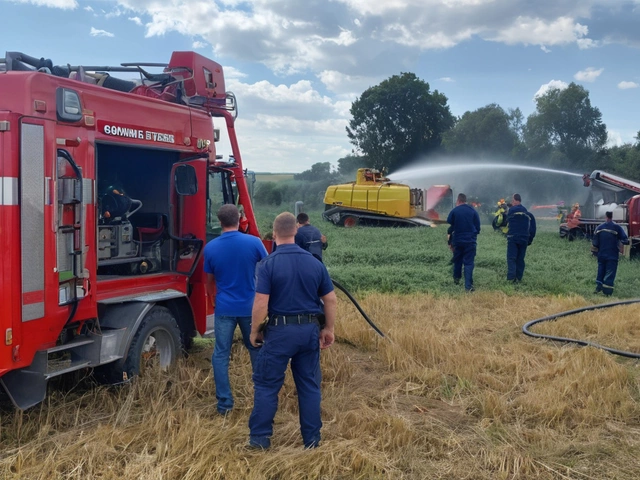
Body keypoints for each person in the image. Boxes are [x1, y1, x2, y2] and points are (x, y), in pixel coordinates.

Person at [248, 212, 337, 449]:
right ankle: (312, 440)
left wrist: (254, 330)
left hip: (279, 332)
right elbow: (330, 299)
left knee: (267, 385)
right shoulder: (314, 263)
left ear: (274, 234)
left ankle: (259, 440)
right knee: (309, 386)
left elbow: (260, 302)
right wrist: (328, 328)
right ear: (296, 231)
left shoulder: (268, 264)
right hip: (309, 331)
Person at [204, 204, 268, 415]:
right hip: (251, 308)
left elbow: (209, 281)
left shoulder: (211, 247)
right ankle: (262, 400)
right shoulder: (254, 242)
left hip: (225, 308)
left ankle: (224, 405)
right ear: (240, 218)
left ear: (219, 221)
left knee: (221, 354)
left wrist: (214, 299)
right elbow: (269, 269)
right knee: (255, 348)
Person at [446, 193, 481, 292]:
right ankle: (468, 287)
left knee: (458, 261)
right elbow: (478, 227)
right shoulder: (472, 211)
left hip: (458, 240)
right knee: (469, 263)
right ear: (465, 200)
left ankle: (456, 280)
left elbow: (450, 223)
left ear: (458, 200)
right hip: (470, 241)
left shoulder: (454, 211)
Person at [592, 211, 629, 296]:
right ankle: (607, 291)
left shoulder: (599, 228)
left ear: (606, 217)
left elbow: (595, 243)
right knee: (610, 271)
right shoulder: (617, 227)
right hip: (612, 255)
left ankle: (598, 287)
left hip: (601, 254)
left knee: (601, 270)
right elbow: (625, 240)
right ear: (612, 217)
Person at [506, 193, 536, 283]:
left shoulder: (511, 211)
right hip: (524, 238)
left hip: (513, 237)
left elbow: (505, 221)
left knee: (511, 258)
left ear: (515, 200)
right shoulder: (527, 213)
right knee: (520, 259)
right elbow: (533, 227)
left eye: (512, 200)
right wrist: (530, 239)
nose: (511, 202)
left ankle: (511, 278)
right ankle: (519, 278)